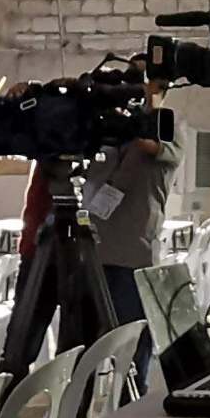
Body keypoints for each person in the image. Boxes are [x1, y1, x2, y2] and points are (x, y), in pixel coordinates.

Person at [87, 74, 182, 377]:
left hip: (133, 252)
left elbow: (157, 149)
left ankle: (132, 396)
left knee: (132, 338)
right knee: (89, 340)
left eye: (150, 85)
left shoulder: (168, 126)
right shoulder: (105, 126)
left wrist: (141, 121)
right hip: (94, 247)